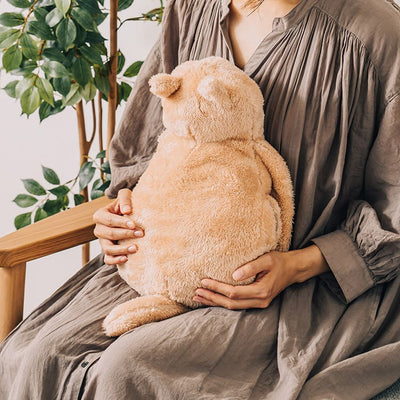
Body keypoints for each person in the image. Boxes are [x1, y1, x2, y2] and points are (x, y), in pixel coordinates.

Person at [0, 0, 399, 398]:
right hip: (168, 261)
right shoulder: (190, 8)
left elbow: (394, 204)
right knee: (37, 356)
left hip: (306, 282)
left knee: (128, 369)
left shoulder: (377, 33)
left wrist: (294, 266)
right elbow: (147, 148)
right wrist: (124, 212)